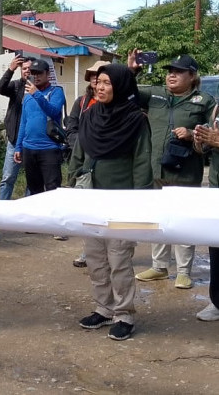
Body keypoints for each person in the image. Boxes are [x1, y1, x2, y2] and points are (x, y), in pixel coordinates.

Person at [70, 63, 152, 341]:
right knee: (95, 259)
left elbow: (142, 162)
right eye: (97, 82)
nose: (99, 87)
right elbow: (79, 151)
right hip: (92, 198)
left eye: (106, 82)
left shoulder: (136, 120)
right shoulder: (91, 113)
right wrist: (72, 182)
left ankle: (124, 314)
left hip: (122, 201)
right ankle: (103, 309)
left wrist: (140, 201)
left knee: (119, 260)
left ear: (120, 86)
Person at [131, 52, 216, 289]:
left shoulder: (204, 100)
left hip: (185, 170)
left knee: (183, 220)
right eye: (170, 71)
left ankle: (183, 271)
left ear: (192, 76)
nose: (172, 75)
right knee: (158, 219)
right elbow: (125, 93)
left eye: (178, 71)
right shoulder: (154, 94)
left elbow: (212, 131)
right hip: (154, 168)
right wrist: (132, 71)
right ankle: (159, 267)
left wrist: (192, 134)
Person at [13, 58, 67, 239]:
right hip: (29, 148)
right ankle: (38, 223)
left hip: (50, 147)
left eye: (39, 73)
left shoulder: (56, 92)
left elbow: (53, 111)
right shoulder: (27, 95)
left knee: (52, 188)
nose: (35, 76)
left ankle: (57, 227)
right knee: (34, 188)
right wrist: (18, 146)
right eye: (32, 73)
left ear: (47, 74)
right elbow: (23, 122)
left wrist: (36, 94)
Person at [65, 59, 110, 267]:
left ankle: (113, 253)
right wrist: (81, 147)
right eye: (93, 76)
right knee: (89, 213)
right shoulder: (82, 102)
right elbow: (72, 126)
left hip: (109, 167)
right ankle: (89, 252)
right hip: (86, 163)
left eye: (101, 77)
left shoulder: (117, 106)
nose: (96, 81)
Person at [193, 110, 219, 321]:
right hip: (216, 189)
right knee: (217, 246)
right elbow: (208, 146)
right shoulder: (217, 109)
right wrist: (201, 140)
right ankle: (217, 302)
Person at [0, 54, 31, 201]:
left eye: (30, 68)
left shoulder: (40, 89)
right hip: (14, 140)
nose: (27, 71)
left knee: (32, 180)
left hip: (32, 142)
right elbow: (0, 88)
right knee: (8, 178)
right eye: (24, 68)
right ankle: (1, 213)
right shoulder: (16, 86)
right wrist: (11, 69)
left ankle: (28, 213)